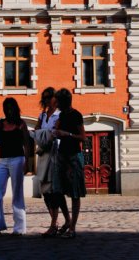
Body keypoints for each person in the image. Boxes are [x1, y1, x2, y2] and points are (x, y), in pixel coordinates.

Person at [0, 97, 31, 236]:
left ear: (15, 108)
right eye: (6, 108)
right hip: (3, 160)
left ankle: (20, 228)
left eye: (11, 107)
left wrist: (28, 162)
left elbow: (26, 143)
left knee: (17, 193)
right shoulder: (1, 123)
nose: (8, 110)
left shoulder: (21, 124)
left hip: (17, 160)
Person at [35, 87, 70, 238]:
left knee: (56, 191)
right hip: (43, 154)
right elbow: (37, 131)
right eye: (45, 97)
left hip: (56, 155)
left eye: (50, 97)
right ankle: (59, 221)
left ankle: (57, 223)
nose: (48, 100)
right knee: (46, 191)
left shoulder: (60, 115)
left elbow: (61, 134)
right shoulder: (42, 115)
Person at [52, 88, 86, 239]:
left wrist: (68, 134)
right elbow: (56, 129)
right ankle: (67, 220)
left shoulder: (76, 115)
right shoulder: (61, 115)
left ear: (63, 101)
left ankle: (72, 228)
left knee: (75, 192)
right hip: (62, 154)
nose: (55, 103)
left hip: (73, 155)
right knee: (58, 190)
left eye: (57, 100)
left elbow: (83, 137)